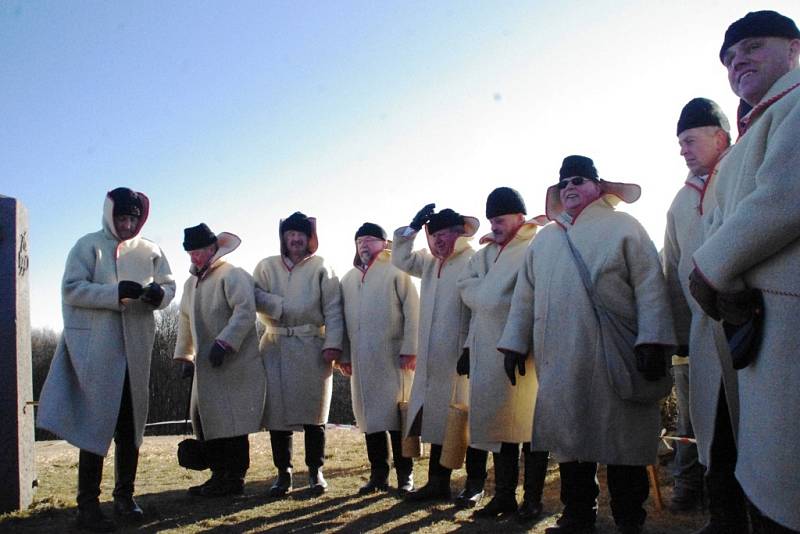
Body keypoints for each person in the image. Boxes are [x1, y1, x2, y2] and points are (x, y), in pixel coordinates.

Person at [498, 156, 675, 534]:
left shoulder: (625, 228)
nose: (569, 188)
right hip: (559, 360)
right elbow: (524, 297)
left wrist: (654, 340)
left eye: (578, 180)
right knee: (570, 441)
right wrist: (514, 343)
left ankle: (630, 520)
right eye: (563, 184)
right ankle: (578, 516)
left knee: (623, 444)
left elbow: (649, 286)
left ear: (598, 186)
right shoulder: (545, 240)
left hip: (616, 355)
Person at [690, 10, 800, 532]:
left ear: (794, 49)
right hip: (759, 333)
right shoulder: (754, 136)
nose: (739, 63)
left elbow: (782, 199)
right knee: (763, 472)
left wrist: (709, 271)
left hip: (789, 331)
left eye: (753, 48)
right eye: (730, 59)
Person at [37, 187, 175, 532]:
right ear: (110, 215)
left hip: (137, 351)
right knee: (95, 427)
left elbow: (170, 287)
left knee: (131, 429)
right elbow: (71, 288)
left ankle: (125, 498)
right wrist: (113, 293)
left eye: (133, 218)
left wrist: (160, 296)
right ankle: (88, 505)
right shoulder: (87, 246)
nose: (128, 225)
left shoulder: (151, 250)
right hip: (97, 352)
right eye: (122, 217)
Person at [663, 98, 742, 525]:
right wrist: (677, 334)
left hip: (749, 329)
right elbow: (672, 268)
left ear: (720, 136)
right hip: (701, 334)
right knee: (711, 427)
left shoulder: (743, 174)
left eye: (690, 140)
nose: (683, 150)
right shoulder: (678, 203)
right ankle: (721, 515)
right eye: (679, 142)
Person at [457, 187, 550, 522]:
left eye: (500, 218)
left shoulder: (535, 246)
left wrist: (487, 296)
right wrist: (468, 347)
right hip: (486, 347)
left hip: (525, 350)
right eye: (491, 219)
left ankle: (534, 499)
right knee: (500, 427)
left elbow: (533, 297)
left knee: (530, 428)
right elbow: (473, 298)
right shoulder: (482, 255)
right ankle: (505, 496)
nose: (494, 225)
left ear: (520, 217)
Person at [392, 206, 487, 507]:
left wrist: (471, 347)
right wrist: (412, 228)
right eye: (434, 235)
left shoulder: (473, 259)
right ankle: (437, 483)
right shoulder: (430, 262)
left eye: (444, 233)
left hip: (462, 355)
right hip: (433, 357)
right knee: (437, 420)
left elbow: (479, 309)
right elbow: (401, 258)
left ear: (459, 233)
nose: (439, 240)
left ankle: (474, 484)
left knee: (466, 421)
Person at [253, 211, 344, 497]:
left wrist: (333, 343)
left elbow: (334, 308)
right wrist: (278, 305)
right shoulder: (266, 266)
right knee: (277, 415)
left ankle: (315, 471)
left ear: (309, 238)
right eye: (290, 234)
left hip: (311, 344)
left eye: (300, 235)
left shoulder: (321, 267)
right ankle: (284, 472)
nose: (295, 239)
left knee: (315, 412)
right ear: (283, 237)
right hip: (275, 344)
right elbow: (252, 295)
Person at [173, 224, 266, 497]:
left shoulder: (232, 274)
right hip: (207, 367)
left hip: (235, 364)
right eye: (191, 253)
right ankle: (218, 475)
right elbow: (185, 321)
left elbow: (245, 312)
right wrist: (184, 356)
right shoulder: (191, 284)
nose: (195, 257)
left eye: (199, 251)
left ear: (213, 249)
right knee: (209, 421)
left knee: (233, 422)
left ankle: (235, 477)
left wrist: (225, 342)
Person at [339, 222, 420, 496]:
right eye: (360, 240)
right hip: (362, 362)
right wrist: (345, 355)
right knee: (370, 421)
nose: (364, 244)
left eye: (371, 239)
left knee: (397, 420)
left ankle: (406, 475)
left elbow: (413, 310)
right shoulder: (348, 279)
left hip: (393, 358)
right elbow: (340, 321)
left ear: (385, 244)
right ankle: (378, 475)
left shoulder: (397, 270)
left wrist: (411, 347)